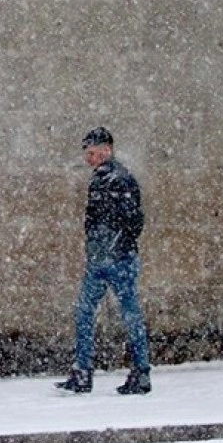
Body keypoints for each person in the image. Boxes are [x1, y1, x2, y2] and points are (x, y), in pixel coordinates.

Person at [55, 126, 152, 395]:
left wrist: (115, 247)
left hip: (116, 260)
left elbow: (133, 220)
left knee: (124, 314)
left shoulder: (119, 180)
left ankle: (137, 372)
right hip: (101, 260)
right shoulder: (103, 179)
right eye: (87, 153)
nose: (89, 158)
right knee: (90, 312)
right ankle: (85, 371)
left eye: (93, 152)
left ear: (107, 150)